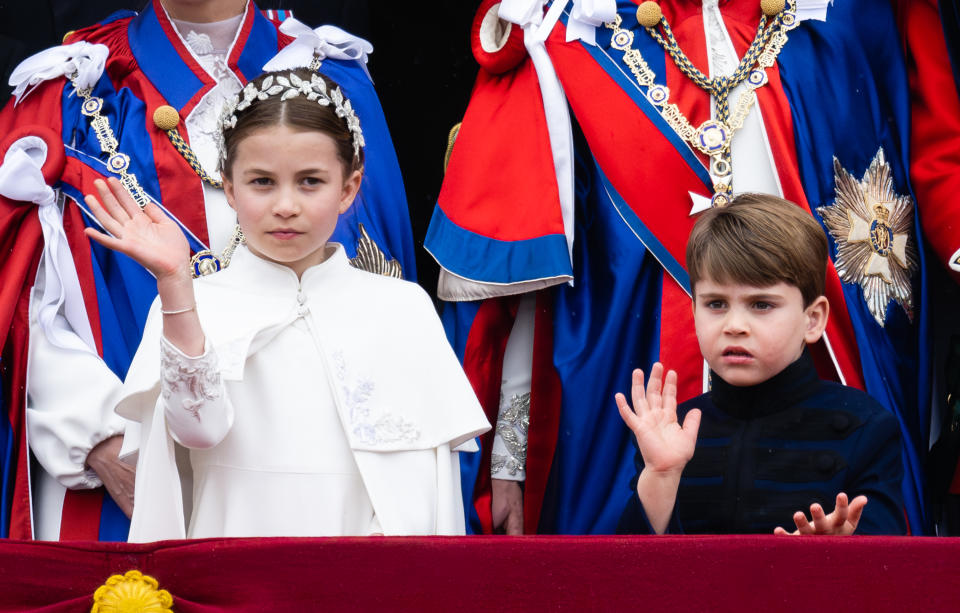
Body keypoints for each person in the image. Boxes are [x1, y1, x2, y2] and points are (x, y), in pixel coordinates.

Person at [427, 0, 960, 535]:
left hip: (832, 371)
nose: (735, 321)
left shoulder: (847, 15)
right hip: (626, 384)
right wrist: (508, 460)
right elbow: (525, 260)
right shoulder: (575, 27)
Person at [0, 0, 414, 540]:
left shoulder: (336, 80)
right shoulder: (70, 91)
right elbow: (22, 289)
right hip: (120, 459)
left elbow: (379, 279)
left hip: (306, 468)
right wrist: (95, 435)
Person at [83, 69, 489, 540]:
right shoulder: (197, 305)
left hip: (362, 573)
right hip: (234, 564)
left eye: (310, 181)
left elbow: (425, 492)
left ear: (349, 188)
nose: (286, 205)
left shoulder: (402, 308)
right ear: (230, 189)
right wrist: (176, 284)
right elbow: (198, 430)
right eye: (262, 182)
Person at [615, 194, 906, 535]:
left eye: (762, 304)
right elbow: (632, 575)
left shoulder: (866, 428)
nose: (734, 325)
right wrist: (661, 475)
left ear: (812, 320)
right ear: (694, 312)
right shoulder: (672, 432)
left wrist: (839, 553)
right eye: (716, 304)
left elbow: (891, 571)